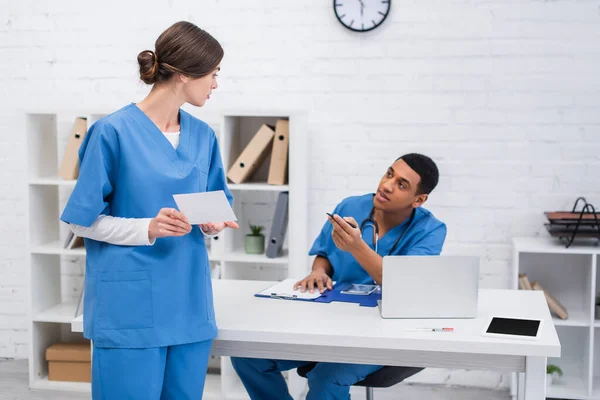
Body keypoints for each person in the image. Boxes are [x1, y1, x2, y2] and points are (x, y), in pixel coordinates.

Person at [60, 21, 238, 400]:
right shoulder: (111, 132)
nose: (216, 84)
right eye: (213, 73)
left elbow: (214, 208)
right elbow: (80, 220)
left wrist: (211, 225)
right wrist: (148, 229)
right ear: (185, 74)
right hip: (130, 308)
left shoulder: (203, 136)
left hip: (189, 302)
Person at [230, 153, 447, 400]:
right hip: (330, 321)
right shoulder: (350, 207)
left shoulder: (430, 230)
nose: (386, 185)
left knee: (325, 377)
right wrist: (318, 271)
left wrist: (357, 246)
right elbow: (325, 252)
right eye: (389, 174)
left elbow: (402, 285)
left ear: (418, 199)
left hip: (381, 333)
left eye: (401, 184)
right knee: (248, 357)